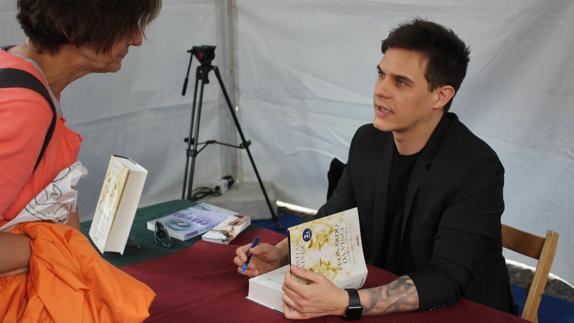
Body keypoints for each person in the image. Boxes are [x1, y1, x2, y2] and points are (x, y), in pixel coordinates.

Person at [234, 18, 515, 320]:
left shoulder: (476, 167)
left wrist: (346, 302)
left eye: (401, 82)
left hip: (463, 310)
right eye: (381, 75)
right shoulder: (368, 140)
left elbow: (446, 278)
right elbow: (333, 217)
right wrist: (280, 253)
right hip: (384, 294)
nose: (380, 91)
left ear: (441, 95)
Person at [0, 0, 161, 321]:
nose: (136, 39)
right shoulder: (23, 107)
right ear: (70, 27)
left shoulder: (22, 73)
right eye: (127, 23)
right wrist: (59, 249)